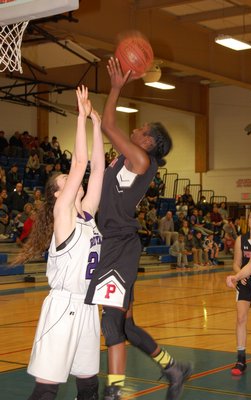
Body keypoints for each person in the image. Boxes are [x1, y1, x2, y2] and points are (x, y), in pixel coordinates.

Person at [85, 57, 192, 400]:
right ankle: (173, 368)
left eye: (140, 128)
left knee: (112, 324)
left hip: (119, 246)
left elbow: (110, 126)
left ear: (147, 141)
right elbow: (107, 130)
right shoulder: (131, 160)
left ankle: (114, 392)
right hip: (114, 244)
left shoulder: (142, 161)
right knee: (125, 325)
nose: (134, 129)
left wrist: (116, 87)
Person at [13, 86, 105, 400]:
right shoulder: (62, 212)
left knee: (89, 382)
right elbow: (80, 165)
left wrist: (96, 125)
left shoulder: (87, 213)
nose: (70, 176)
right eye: (63, 178)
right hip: (63, 305)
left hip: (88, 306)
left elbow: (97, 171)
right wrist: (79, 117)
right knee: (48, 387)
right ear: (56, 193)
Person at [226, 208, 251, 376]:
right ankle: (241, 358)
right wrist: (236, 276)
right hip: (246, 281)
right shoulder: (246, 241)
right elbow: (249, 264)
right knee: (240, 317)